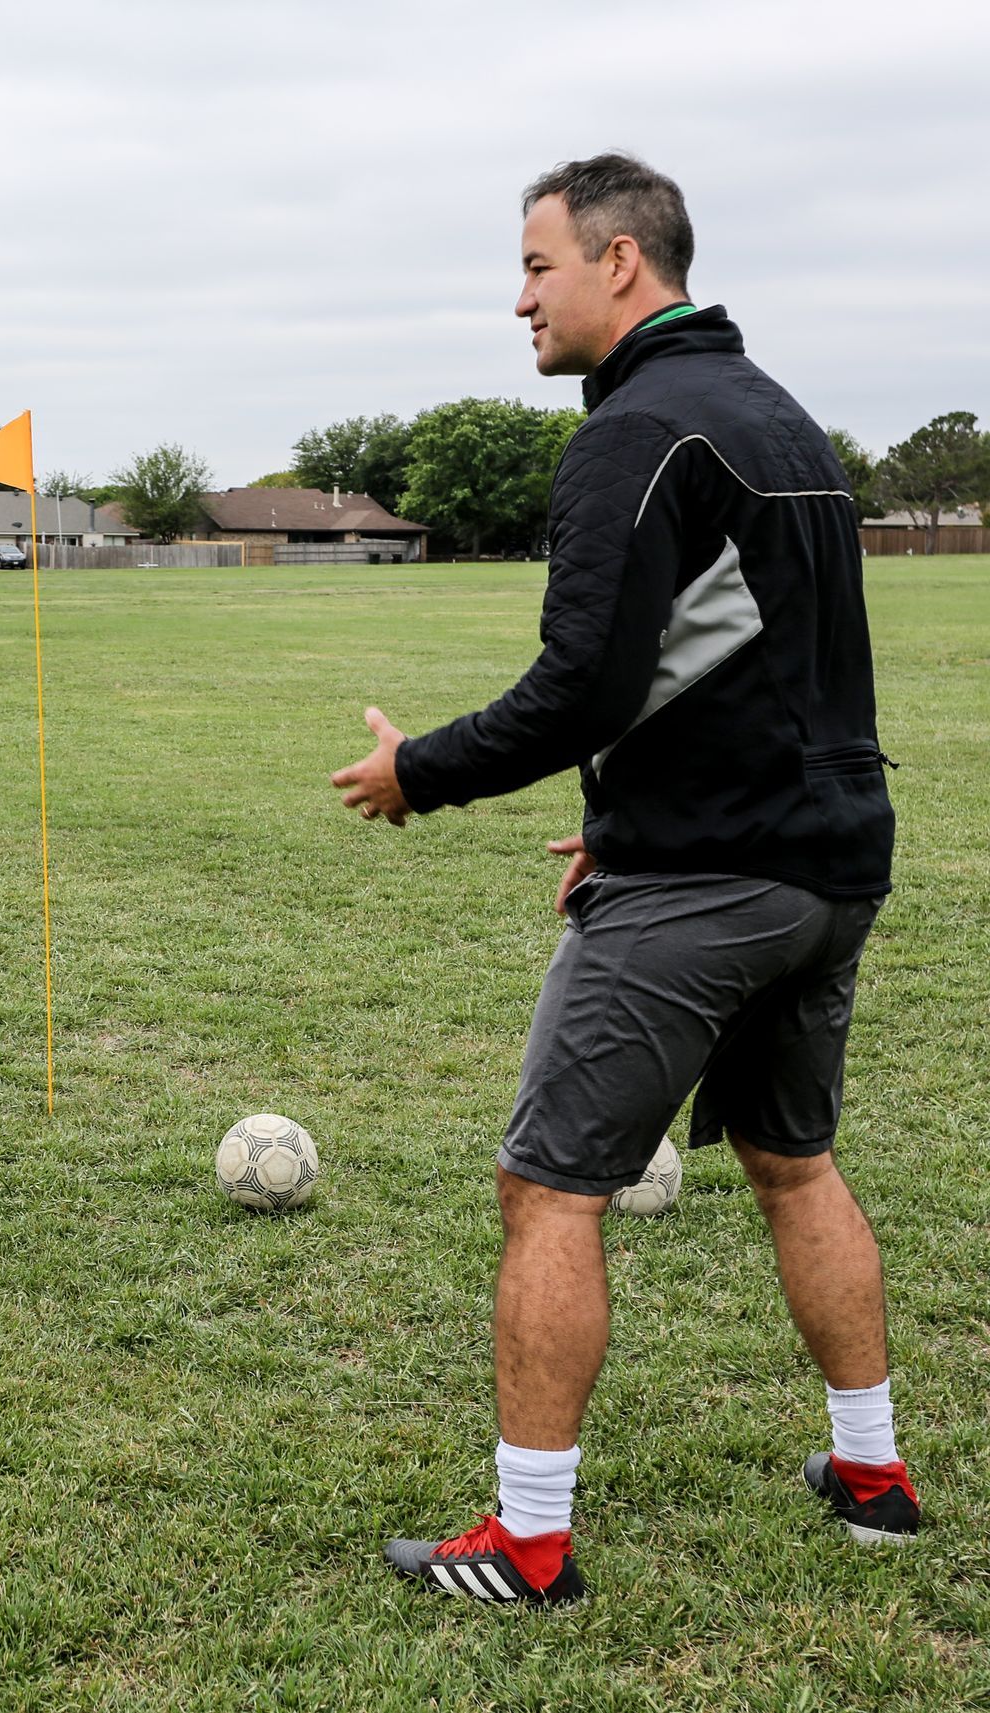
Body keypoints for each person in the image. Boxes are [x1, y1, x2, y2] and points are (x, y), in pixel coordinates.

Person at [332, 154, 912, 1604]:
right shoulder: (781, 415)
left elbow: (582, 684)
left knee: (548, 1191)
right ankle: (872, 1471)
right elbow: (767, 659)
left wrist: (427, 770)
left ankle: (527, 1545)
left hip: (707, 889)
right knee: (796, 1164)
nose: (516, 298)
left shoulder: (632, 434)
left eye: (536, 267)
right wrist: (632, 812)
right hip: (826, 866)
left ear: (621, 265)